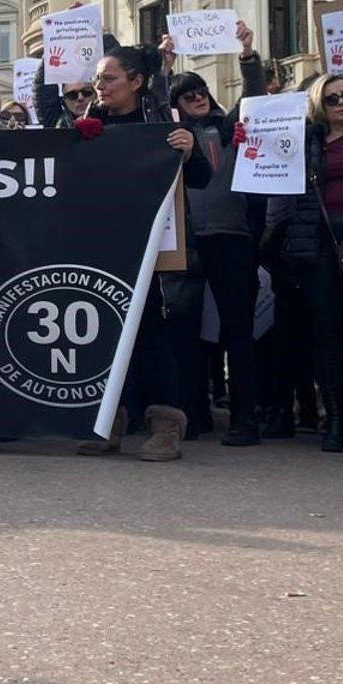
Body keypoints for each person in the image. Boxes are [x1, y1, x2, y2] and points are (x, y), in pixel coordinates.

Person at [81, 43, 206, 461]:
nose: (99, 86)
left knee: (150, 331)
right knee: (107, 331)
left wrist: (189, 149)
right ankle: (108, 421)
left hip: (153, 250)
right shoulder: (87, 122)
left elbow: (202, 177)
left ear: (136, 82)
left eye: (108, 78)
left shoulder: (165, 120)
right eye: (98, 78)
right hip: (104, 244)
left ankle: (166, 425)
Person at [266, 71, 343, 452]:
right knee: (328, 334)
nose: (342, 103)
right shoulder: (308, 141)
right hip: (319, 245)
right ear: (320, 104)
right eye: (333, 98)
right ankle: (338, 418)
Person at [165, 21, 267, 447]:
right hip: (186, 243)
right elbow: (152, 102)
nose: (197, 97)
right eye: (186, 93)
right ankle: (195, 414)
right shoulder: (168, 137)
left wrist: (247, 55)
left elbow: (256, 100)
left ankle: (245, 419)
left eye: (201, 90)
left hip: (230, 236)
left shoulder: (232, 129)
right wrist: (164, 66)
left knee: (237, 331)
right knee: (185, 333)